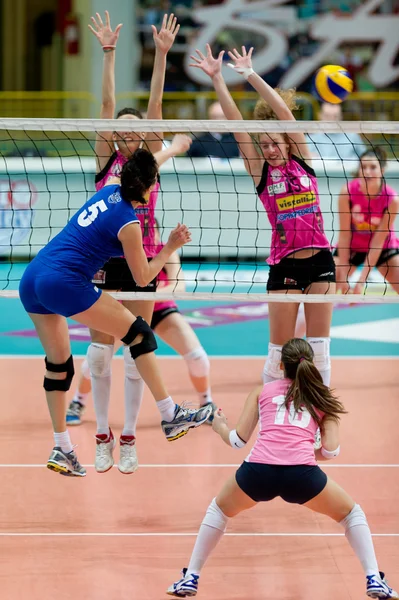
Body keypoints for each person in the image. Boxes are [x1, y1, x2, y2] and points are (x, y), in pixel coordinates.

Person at [19, 149, 213, 478]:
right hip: (64, 282)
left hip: (33, 278)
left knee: (58, 367)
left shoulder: (108, 191)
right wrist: (170, 247)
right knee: (139, 334)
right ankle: (169, 414)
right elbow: (142, 278)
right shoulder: (129, 223)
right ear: (151, 187)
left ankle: (62, 446)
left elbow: (140, 172)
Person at [167, 338, 398, 600]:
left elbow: (237, 440)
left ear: (280, 365)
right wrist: (305, 449)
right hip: (303, 476)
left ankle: (191, 577)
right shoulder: (322, 396)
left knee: (218, 510)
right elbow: (331, 451)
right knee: (352, 514)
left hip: (257, 472)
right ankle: (373, 579)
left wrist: (219, 424)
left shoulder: (261, 391)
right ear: (312, 364)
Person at [189, 45, 335, 390]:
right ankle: (271, 415)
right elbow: (238, 127)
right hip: (283, 265)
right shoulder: (261, 172)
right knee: (277, 356)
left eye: (274, 143)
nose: (269, 149)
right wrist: (217, 79)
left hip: (320, 263)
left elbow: (284, 113)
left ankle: (320, 419)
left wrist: (250, 74)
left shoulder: (302, 161)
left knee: (320, 353)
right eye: (264, 144)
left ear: (288, 143)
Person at [87, 11, 193, 475]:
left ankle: (128, 436)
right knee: (99, 351)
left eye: (136, 131)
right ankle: (101, 435)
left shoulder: (149, 163)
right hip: (103, 262)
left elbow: (155, 111)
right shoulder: (104, 161)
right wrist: (109, 55)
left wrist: (163, 56)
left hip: (142, 261)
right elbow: (109, 107)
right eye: (123, 131)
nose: (129, 134)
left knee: (138, 348)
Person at [66, 222, 216, 474]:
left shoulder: (161, 249)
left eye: (149, 226)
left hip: (159, 310)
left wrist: (150, 291)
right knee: (95, 360)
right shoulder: (118, 251)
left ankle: (206, 402)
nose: (147, 230)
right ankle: (78, 402)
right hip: (125, 314)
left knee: (199, 358)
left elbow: (178, 286)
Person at [335, 147, 399, 295]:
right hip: (352, 246)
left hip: (383, 247)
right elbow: (344, 235)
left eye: (373, 167)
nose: (367, 172)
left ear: (382, 170)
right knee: (326, 286)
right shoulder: (347, 193)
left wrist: (360, 282)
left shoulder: (392, 200)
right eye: (363, 167)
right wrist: (344, 278)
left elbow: (378, 241)